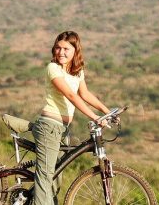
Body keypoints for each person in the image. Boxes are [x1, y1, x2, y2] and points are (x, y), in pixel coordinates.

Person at [32, 31, 111, 205]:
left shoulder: (77, 71)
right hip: (49, 126)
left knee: (55, 179)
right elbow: (70, 94)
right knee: (45, 177)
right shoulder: (53, 68)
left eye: (66, 49)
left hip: (62, 129)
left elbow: (84, 94)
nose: (61, 52)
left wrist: (106, 111)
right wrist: (94, 116)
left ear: (75, 50)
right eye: (58, 48)